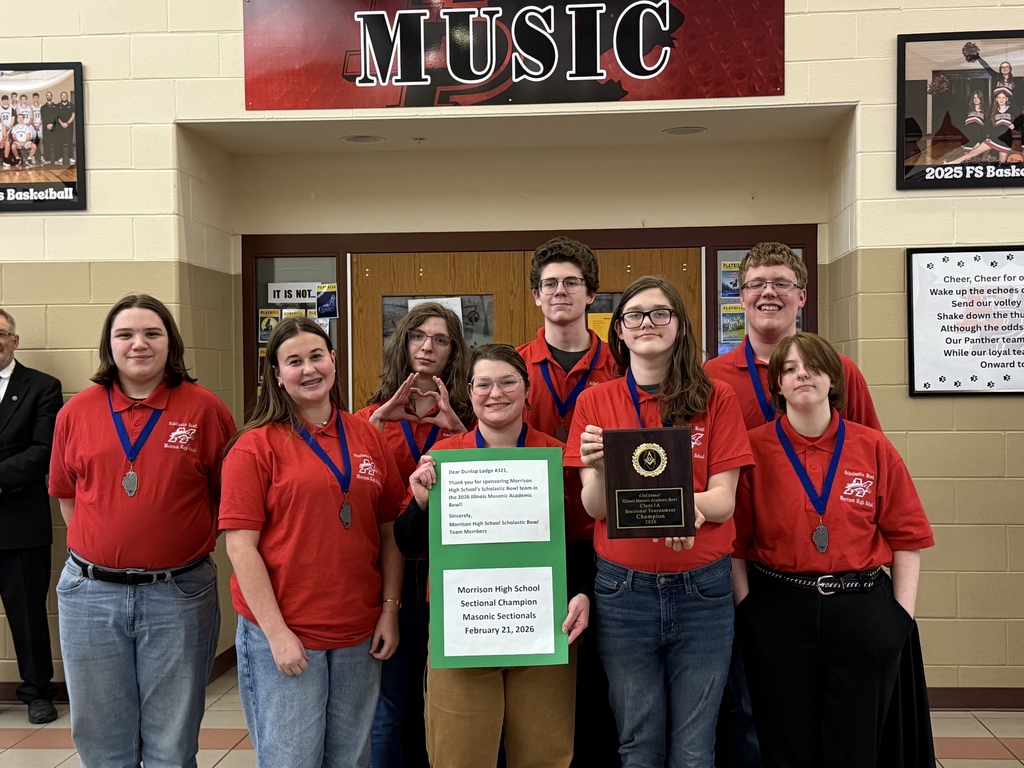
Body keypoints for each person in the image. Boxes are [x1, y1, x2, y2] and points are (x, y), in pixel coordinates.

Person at [704, 241, 880, 767]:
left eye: (781, 282)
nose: (768, 293)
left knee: (833, 718)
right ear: (739, 297)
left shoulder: (841, 369)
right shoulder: (712, 377)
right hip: (748, 571)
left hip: (833, 581)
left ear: (801, 295)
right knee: (751, 708)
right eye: (755, 283)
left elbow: (871, 462)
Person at [567, 276, 753, 768]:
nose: (647, 323)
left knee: (695, 750)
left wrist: (690, 508)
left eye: (660, 313)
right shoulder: (595, 402)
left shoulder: (717, 398)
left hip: (703, 593)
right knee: (638, 746)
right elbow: (594, 509)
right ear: (620, 333)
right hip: (623, 594)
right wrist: (601, 466)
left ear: (679, 326)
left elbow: (724, 500)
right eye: (634, 316)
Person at [49, 294, 236, 768]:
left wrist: (173, 545)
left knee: (171, 744)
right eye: (125, 334)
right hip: (90, 595)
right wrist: (106, 549)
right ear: (108, 346)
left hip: (179, 593)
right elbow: (67, 494)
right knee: (100, 737)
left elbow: (227, 497)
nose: (139, 344)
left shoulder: (205, 410)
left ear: (170, 341)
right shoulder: (77, 412)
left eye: (152, 333)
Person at [731, 333, 934, 768]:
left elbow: (907, 537)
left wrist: (899, 619)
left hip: (860, 607)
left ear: (834, 380)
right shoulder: (753, 449)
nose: (802, 374)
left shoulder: (872, 446)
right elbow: (735, 545)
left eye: (813, 366)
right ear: (777, 386)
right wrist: (749, 612)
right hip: (778, 607)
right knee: (784, 746)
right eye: (789, 369)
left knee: (855, 748)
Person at [221, 317, 406, 768]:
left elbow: (389, 532)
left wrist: (389, 610)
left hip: (357, 633)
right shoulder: (254, 446)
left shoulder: (366, 436)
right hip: (286, 633)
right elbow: (240, 547)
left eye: (316, 356)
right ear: (277, 375)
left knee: (350, 758)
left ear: (334, 361)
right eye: (294, 361)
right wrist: (277, 633)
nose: (309, 369)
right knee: (292, 760)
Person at [396, 343, 592, 768]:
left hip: (542, 626)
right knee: (459, 755)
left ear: (527, 392)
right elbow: (408, 543)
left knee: (545, 754)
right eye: (483, 383)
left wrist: (582, 592)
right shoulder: (445, 458)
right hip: (464, 629)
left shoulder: (555, 458)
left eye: (507, 382)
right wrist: (420, 500)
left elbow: (579, 539)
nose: (495, 393)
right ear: (469, 392)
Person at [516, 235, 620, 767]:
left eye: (572, 283)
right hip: (529, 541)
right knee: (539, 680)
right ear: (536, 296)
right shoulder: (511, 367)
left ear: (591, 296)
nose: (560, 291)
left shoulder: (622, 366)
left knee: (602, 681)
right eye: (550, 283)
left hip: (599, 538)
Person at [357, 301, 473, 768]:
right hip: (396, 575)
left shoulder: (471, 415)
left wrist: (458, 428)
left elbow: (489, 482)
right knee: (392, 705)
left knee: (452, 708)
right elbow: (353, 484)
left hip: (455, 574)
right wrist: (377, 423)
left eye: (441, 339)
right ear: (403, 344)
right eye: (418, 336)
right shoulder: (371, 417)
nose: (428, 346)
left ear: (454, 353)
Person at [0, 309, 63, 724]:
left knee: (27, 614)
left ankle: (37, 693)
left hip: (19, 522)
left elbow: (43, 452)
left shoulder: (42, 387)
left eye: (0, 334)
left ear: (15, 340)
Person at [947, 89, 1014, 164]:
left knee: (1001, 164)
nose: (1001, 100)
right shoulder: (993, 112)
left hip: (1005, 139)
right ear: (996, 99)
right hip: (991, 138)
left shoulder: (1012, 109)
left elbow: (1019, 119)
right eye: (999, 97)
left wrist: (1014, 125)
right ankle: (949, 164)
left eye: (1003, 97)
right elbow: (989, 128)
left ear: (1007, 99)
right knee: (970, 156)